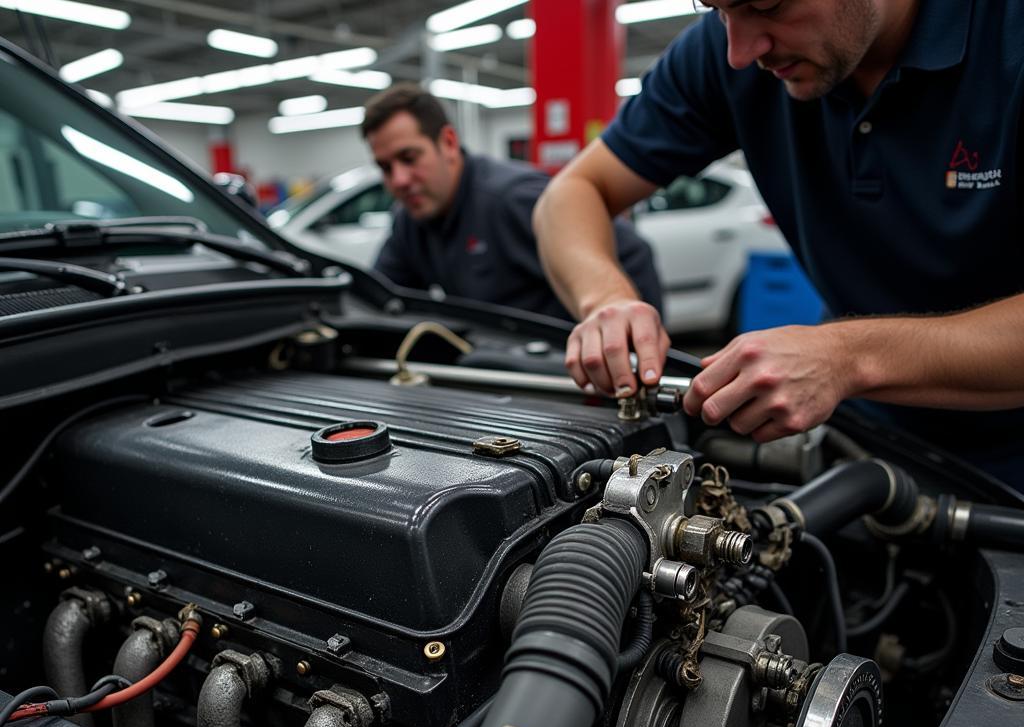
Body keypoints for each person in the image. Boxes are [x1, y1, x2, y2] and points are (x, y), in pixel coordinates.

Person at [534, 0, 1024, 487]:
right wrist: (607, 300)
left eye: (767, 5)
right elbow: (571, 194)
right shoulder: (719, 53)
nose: (740, 53)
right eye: (719, 10)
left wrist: (845, 357)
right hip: (873, 450)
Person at [362, 83, 662, 322]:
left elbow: (633, 254)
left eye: (409, 158)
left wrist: (628, 353)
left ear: (449, 143)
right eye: (385, 168)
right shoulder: (410, 220)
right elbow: (381, 298)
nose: (399, 180)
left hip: (559, 381)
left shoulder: (511, 200)